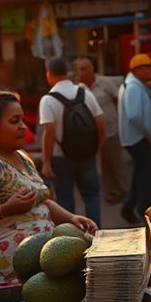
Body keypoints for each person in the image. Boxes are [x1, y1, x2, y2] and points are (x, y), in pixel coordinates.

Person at [0, 90, 97, 286]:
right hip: (10, 271)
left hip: (41, 261)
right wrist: (5, 209)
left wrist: (71, 218)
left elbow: (40, 201)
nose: (23, 127)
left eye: (22, 120)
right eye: (14, 121)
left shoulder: (21, 156)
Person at [39, 57, 106, 227]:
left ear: (49, 74)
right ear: (67, 74)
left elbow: (49, 132)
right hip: (87, 156)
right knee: (92, 196)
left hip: (61, 159)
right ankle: (95, 233)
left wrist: (46, 162)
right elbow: (100, 123)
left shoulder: (48, 100)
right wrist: (96, 149)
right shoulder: (85, 93)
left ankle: (72, 238)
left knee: (65, 200)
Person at [76, 57, 129, 205]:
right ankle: (110, 193)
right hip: (94, 135)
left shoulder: (105, 83)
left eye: (85, 68)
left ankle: (125, 192)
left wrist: (120, 121)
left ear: (92, 69)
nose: (83, 72)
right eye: (80, 69)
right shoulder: (80, 90)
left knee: (117, 163)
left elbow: (117, 101)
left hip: (111, 130)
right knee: (103, 165)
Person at [118, 53, 151, 224]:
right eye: (147, 68)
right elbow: (134, 115)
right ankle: (146, 212)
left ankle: (128, 208)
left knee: (140, 174)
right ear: (138, 70)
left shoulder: (134, 85)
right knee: (147, 176)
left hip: (135, 137)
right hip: (137, 138)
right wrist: (147, 134)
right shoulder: (133, 87)